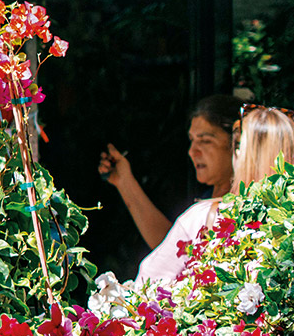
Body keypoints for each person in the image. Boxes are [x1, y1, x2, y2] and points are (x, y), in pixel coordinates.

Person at [135, 106, 294, 286]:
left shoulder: (204, 218)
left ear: (240, 153)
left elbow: (147, 288)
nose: (191, 151)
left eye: (205, 141)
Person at [100, 93, 239, 255]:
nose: (192, 151)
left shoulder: (248, 208)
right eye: (192, 140)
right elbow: (172, 249)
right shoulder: (207, 200)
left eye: (205, 141)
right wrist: (124, 181)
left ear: (237, 145)